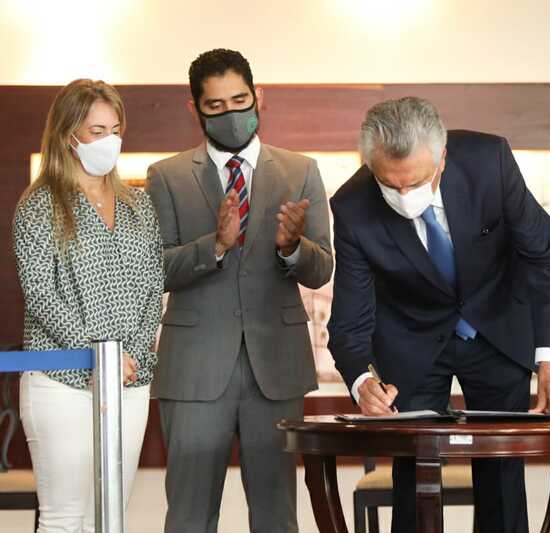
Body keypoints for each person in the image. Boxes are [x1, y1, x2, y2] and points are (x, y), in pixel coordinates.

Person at [327, 96, 550, 533]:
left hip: (497, 328)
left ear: (442, 157)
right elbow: (349, 317)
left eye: (415, 182)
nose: (405, 197)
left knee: (502, 477)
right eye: (390, 185)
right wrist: (362, 380)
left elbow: (545, 259)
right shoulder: (351, 206)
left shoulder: (489, 162)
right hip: (411, 342)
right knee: (412, 477)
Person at [146, 48, 333, 533]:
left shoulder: (300, 170)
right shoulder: (166, 176)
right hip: (194, 368)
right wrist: (216, 245)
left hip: (277, 365)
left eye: (239, 100)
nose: (230, 113)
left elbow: (321, 269)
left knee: (276, 516)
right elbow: (153, 271)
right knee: (189, 516)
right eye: (215, 105)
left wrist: (292, 247)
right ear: (195, 108)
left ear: (258, 96)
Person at [12, 79, 163, 532]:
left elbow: (153, 286)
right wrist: (98, 353)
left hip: (130, 379)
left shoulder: (139, 205)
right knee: (65, 518)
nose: (108, 141)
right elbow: (41, 294)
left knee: (110, 517)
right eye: (96, 131)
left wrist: (126, 357)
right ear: (67, 135)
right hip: (61, 380)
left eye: (115, 130)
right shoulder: (39, 206)